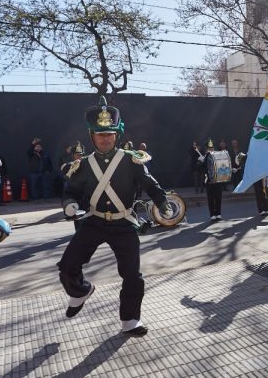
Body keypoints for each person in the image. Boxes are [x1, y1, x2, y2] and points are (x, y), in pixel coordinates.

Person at [58, 96, 172, 336]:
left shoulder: (131, 160)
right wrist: (69, 204)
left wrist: (162, 202)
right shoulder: (84, 165)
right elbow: (70, 192)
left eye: (109, 134)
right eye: (100, 134)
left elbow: (151, 185)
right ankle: (80, 291)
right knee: (68, 265)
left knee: (132, 275)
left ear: (116, 134)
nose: (105, 139)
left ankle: (130, 321)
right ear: (92, 136)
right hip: (94, 221)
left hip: (124, 223)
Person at [199, 139, 224, 221]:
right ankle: (212, 214)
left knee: (218, 197)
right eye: (209, 148)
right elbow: (200, 168)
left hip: (218, 179)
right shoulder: (204, 157)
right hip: (208, 180)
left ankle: (218, 213)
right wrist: (200, 161)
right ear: (206, 149)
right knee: (210, 197)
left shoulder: (217, 156)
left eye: (212, 148)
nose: (211, 149)